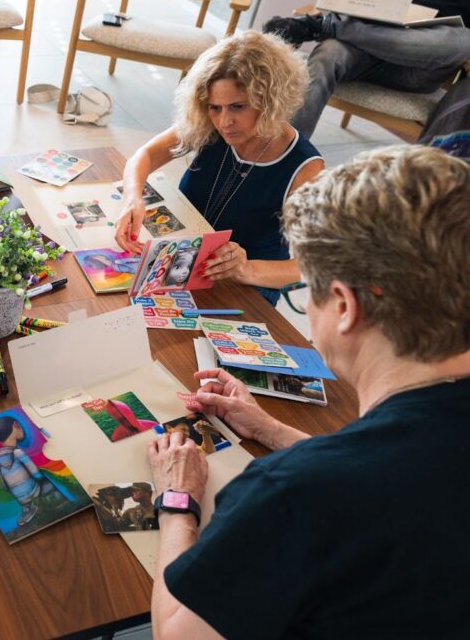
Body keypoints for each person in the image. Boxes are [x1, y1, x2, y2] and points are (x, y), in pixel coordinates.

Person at [145, 145, 470, 638]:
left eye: (309, 288)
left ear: (343, 305)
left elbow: (179, 632)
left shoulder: (295, 493)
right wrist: (273, 430)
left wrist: (177, 503)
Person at [114, 31, 324, 305]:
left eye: (237, 107)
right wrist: (133, 197)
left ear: (271, 101)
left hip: (242, 286)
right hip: (178, 260)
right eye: (215, 107)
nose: (225, 122)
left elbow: (313, 265)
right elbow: (146, 155)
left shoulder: (306, 169)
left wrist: (246, 268)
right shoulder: (208, 124)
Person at [264, 0, 470, 138]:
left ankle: (328, 26)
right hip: (365, 53)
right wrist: (332, 4)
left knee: (465, 41)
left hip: (419, 68)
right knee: (329, 52)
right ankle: (286, 156)